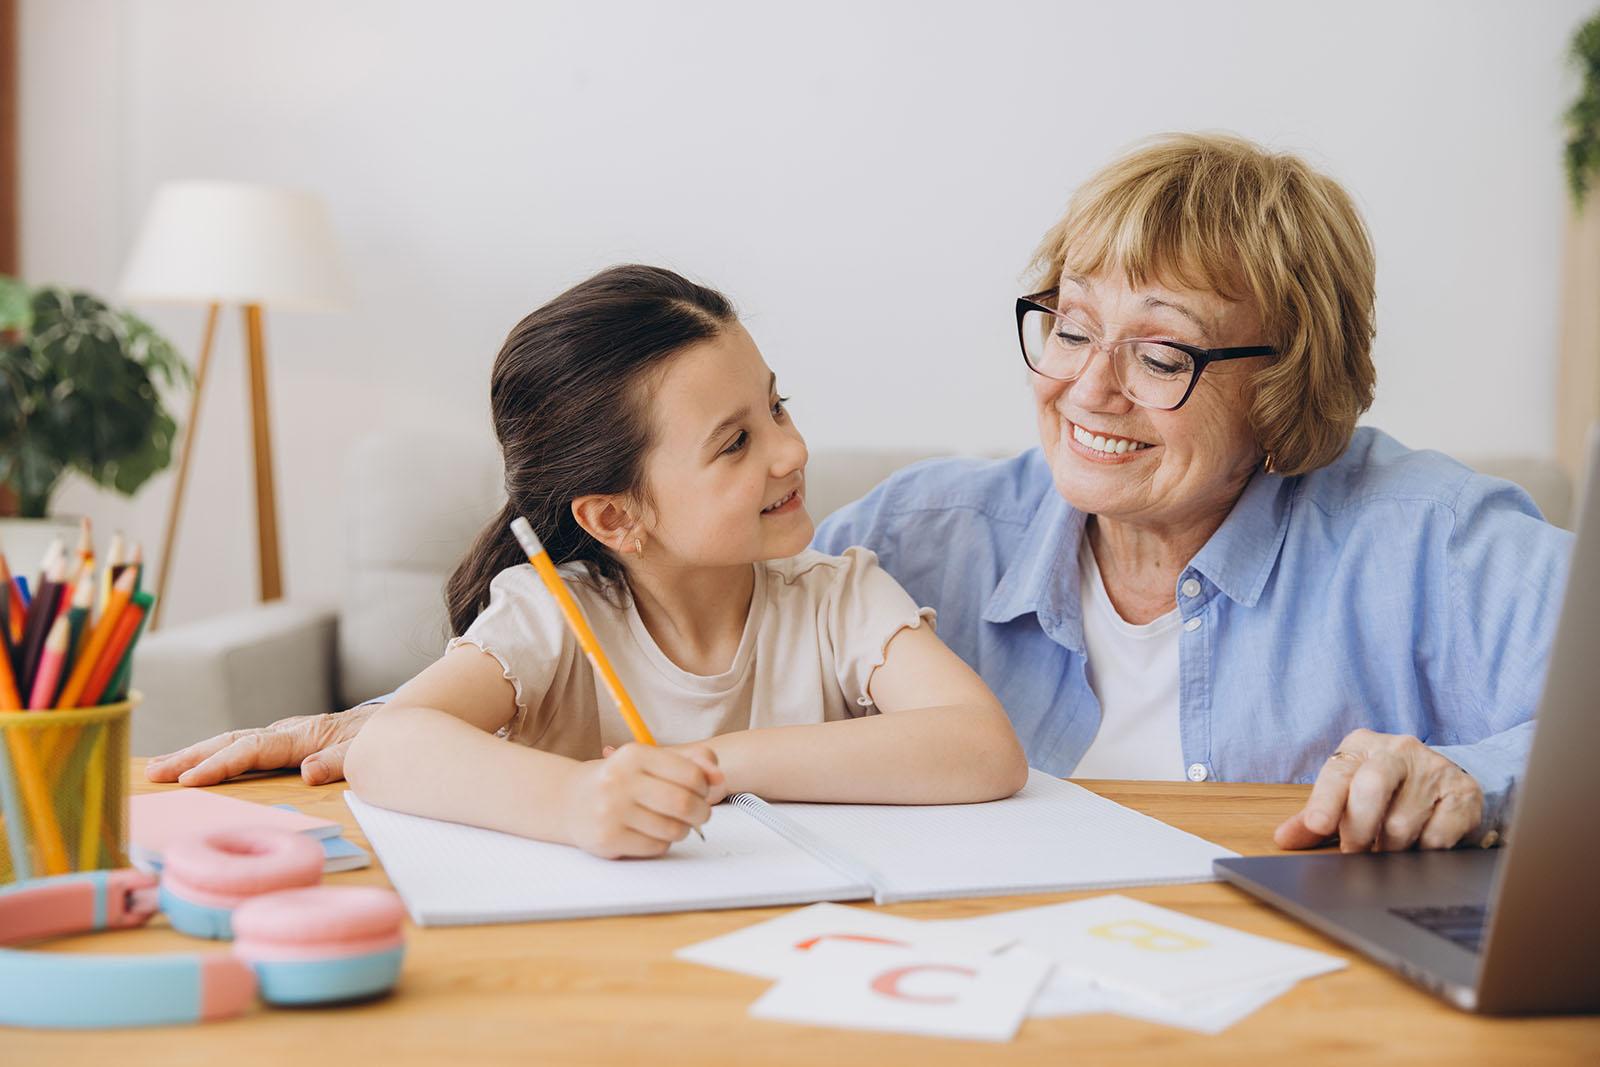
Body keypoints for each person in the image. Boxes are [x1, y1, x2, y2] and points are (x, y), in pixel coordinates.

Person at [150, 134, 1571, 855]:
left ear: (1289, 371)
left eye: (1164, 352)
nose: (1088, 386)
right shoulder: (918, 538)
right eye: (1070, 325)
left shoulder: (1428, 541)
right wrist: (392, 718)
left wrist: (1477, 776)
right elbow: (679, 626)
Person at [292, 265, 1025, 859]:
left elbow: (982, 746)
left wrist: (711, 762)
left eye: (777, 407)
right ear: (616, 516)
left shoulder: (840, 596)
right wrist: (574, 802)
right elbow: (390, 743)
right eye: (735, 443)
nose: (792, 451)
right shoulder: (553, 613)